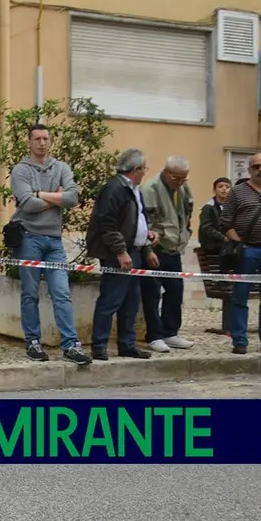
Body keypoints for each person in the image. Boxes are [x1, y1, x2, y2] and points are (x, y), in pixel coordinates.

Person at [7, 124, 90, 365]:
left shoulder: (61, 167)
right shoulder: (20, 170)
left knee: (61, 293)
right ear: (29, 142)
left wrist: (39, 194)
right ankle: (32, 342)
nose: (42, 143)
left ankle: (70, 345)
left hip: (54, 241)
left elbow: (73, 197)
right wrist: (56, 198)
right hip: (29, 238)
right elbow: (27, 205)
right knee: (30, 294)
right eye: (37, 139)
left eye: (46, 138)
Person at [86, 148, 156, 361]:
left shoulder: (134, 189)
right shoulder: (115, 189)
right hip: (119, 253)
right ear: (135, 169)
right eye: (144, 168)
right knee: (111, 299)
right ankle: (99, 345)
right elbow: (107, 223)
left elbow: (137, 219)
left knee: (131, 300)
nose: (145, 172)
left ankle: (127, 344)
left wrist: (147, 238)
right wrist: (120, 251)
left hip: (134, 250)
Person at [140, 155, 195, 353]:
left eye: (184, 178)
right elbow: (145, 223)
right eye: (177, 178)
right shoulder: (150, 189)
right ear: (166, 173)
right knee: (152, 293)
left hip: (174, 248)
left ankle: (170, 332)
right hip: (155, 248)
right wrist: (147, 250)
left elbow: (187, 212)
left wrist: (186, 232)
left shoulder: (183, 188)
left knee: (175, 292)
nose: (180, 182)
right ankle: (154, 336)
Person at [219, 154, 261, 355]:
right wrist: (239, 243)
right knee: (240, 296)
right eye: (257, 166)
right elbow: (225, 222)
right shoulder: (237, 192)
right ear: (250, 170)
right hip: (247, 250)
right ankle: (239, 340)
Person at [198, 177, 233, 334]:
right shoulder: (209, 207)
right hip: (212, 244)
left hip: (226, 243)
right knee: (230, 247)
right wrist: (224, 237)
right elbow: (206, 228)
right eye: (220, 186)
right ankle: (223, 280)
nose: (224, 189)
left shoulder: (232, 206)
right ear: (215, 190)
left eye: (227, 186)